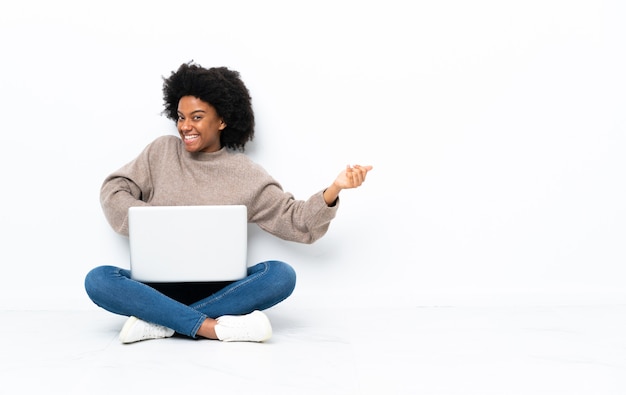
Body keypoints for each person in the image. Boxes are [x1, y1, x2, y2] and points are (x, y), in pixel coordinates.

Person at [84, 62, 372, 344]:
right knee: (98, 279)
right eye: (181, 117)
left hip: (220, 289)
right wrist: (151, 220)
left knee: (280, 275)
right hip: (157, 287)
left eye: (196, 117)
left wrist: (334, 189)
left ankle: (163, 322)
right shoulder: (162, 151)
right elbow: (114, 189)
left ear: (221, 120)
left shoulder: (245, 174)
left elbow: (297, 222)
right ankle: (211, 327)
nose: (185, 126)